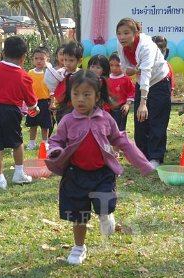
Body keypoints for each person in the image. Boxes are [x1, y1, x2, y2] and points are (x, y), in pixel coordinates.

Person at [45, 70, 155, 265]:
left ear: (97, 96)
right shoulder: (67, 120)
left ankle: (105, 214)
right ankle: (79, 247)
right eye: (76, 94)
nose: (80, 99)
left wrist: (144, 164)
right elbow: (56, 140)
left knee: (105, 204)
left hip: (102, 173)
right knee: (78, 215)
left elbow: (122, 141)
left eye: (86, 94)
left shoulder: (105, 118)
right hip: (75, 174)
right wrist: (54, 151)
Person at [0, 36, 38, 190]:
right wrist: (35, 108)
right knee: (17, 143)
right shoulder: (24, 76)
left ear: (3, 53)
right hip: (11, 111)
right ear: (24, 58)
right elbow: (31, 102)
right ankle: (18, 174)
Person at [116, 18, 172, 168]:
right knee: (140, 121)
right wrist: (134, 70)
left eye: (126, 33)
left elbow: (146, 73)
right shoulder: (121, 46)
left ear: (136, 32)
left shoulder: (146, 46)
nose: (122, 37)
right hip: (142, 81)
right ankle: (142, 155)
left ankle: (156, 158)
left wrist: (142, 103)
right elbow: (124, 68)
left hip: (159, 81)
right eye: (119, 33)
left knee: (156, 121)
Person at [44, 41, 83, 123]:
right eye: (65, 60)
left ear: (79, 61)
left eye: (71, 60)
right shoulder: (60, 73)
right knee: (63, 128)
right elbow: (53, 87)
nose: (67, 63)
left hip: (77, 107)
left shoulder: (81, 74)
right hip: (62, 107)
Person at [26, 47, 52, 151]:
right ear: (33, 60)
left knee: (44, 124)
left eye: (41, 59)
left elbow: (51, 87)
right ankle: (32, 142)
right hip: (33, 102)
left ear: (47, 60)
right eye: (36, 58)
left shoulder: (49, 72)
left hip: (45, 101)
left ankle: (44, 142)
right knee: (32, 123)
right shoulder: (30, 73)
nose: (39, 61)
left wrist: (52, 101)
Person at [107, 52, 135, 133]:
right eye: (111, 65)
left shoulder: (126, 79)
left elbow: (131, 92)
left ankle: (119, 144)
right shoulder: (107, 79)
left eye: (117, 65)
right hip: (108, 109)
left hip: (121, 109)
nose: (114, 68)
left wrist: (127, 104)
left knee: (119, 130)